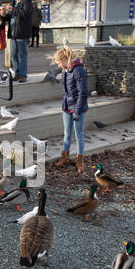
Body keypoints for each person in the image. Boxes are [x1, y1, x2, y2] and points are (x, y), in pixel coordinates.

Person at [53, 44, 89, 173]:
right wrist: (65, 106)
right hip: (67, 107)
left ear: (64, 60)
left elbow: (83, 93)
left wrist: (78, 111)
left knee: (79, 135)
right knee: (67, 134)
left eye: (58, 63)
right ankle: (65, 157)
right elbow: (67, 91)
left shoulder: (78, 71)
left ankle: (80, 161)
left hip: (77, 108)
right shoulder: (66, 71)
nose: (58, 65)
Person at [0, 0, 33, 83]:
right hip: (13, 32)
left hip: (22, 32)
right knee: (13, 55)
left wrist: (13, 9)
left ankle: (23, 75)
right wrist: (4, 15)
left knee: (22, 55)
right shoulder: (13, 2)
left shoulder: (27, 1)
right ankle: (17, 73)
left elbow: (25, 14)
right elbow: (12, 17)